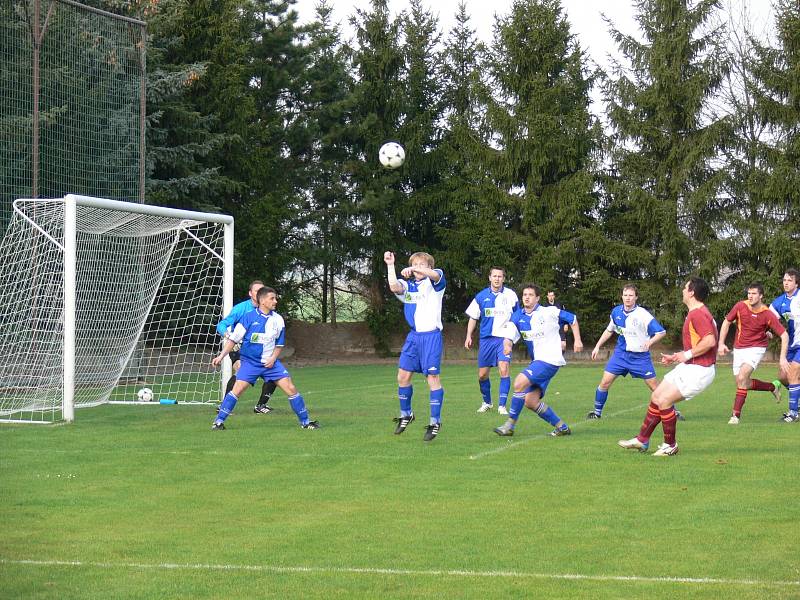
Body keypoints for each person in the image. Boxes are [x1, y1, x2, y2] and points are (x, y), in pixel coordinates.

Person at [618, 277, 717, 456]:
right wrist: (677, 357)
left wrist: (685, 355)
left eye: (685, 287)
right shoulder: (697, 312)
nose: (682, 290)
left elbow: (710, 341)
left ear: (692, 292)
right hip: (690, 365)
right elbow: (701, 342)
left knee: (665, 400)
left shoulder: (698, 313)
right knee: (656, 395)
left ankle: (670, 445)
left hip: (699, 370)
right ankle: (642, 440)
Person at [210, 287, 319, 430]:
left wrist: (273, 358)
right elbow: (233, 340)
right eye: (272, 298)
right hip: (250, 363)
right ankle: (218, 422)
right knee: (237, 390)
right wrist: (221, 356)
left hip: (271, 364)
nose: (275, 301)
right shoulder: (248, 317)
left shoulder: (278, 319)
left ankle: (305, 423)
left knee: (291, 388)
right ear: (262, 301)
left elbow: (279, 344)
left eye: (275, 298)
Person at [493, 284, 583, 438]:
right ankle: (562, 427)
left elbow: (573, 319)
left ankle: (509, 425)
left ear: (538, 298)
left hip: (550, 360)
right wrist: (507, 345)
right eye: (524, 294)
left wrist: (578, 340)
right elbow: (508, 337)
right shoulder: (517, 316)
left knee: (519, 383)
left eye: (530, 295)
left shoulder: (549, 312)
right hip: (538, 362)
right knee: (530, 401)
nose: (527, 297)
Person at [384, 250, 446, 442]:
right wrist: (391, 265)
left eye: (422, 265)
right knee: (402, 376)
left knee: (432, 378)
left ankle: (435, 422)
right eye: (415, 264)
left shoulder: (435, 282)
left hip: (431, 337)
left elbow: (435, 274)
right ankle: (406, 415)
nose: (417, 268)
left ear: (428, 266)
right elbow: (394, 287)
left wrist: (415, 268)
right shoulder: (409, 285)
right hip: (413, 337)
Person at [588, 284, 667, 419]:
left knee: (654, 387)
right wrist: (597, 346)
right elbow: (609, 331)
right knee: (605, 382)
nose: (628, 298)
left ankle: (673, 412)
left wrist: (650, 342)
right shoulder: (616, 312)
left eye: (631, 295)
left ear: (636, 297)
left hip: (640, 357)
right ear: (622, 296)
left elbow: (661, 332)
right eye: (625, 295)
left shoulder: (642, 314)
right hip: (620, 355)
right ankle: (596, 413)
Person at [718, 282, 789, 424]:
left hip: (756, 348)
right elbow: (726, 322)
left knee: (743, 377)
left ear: (761, 296)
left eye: (754, 293)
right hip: (739, 348)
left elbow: (784, 335)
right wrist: (721, 343)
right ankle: (772, 387)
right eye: (749, 293)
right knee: (742, 383)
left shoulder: (767, 314)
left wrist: (782, 358)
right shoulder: (740, 306)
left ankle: (735, 416)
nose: (750, 296)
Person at [216, 280, 277, 414]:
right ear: (250, 293)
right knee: (240, 372)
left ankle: (260, 406)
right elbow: (222, 324)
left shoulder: (269, 311)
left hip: (258, 350)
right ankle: (224, 406)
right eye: (256, 290)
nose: (260, 293)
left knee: (274, 376)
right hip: (238, 348)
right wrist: (227, 334)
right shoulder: (241, 308)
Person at [464, 267, 519, 414]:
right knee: (482, 375)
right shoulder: (481, 296)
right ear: (489, 278)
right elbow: (473, 317)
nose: (497, 279)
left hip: (504, 338)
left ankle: (502, 405)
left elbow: (518, 316)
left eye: (500, 276)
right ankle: (487, 402)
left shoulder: (511, 295)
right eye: (494, 276)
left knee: (504, 368)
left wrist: (513, 336)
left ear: (504, 279)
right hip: (486, 339)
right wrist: (469, 335)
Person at [769, 268, 800, 422]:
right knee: (782, 376)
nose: (786, 283)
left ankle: (794, 413)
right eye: (784, 280)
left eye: (790, 280)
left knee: (793, 372)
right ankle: (798, 400)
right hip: (792, 344)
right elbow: (769, 322)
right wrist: (767, 332)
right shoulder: (778, 302)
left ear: (796, 283)